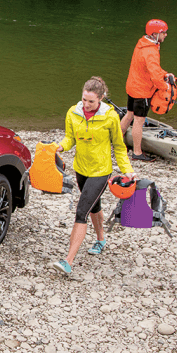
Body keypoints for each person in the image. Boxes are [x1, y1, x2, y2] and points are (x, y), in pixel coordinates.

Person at [52, 77, 135, 275]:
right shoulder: (73, 113)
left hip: (101, 171)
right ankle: (101, 240)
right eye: (84, 100)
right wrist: (60, 146)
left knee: (81, 211)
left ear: (101, 99)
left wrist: (127, 169)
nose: (87, 105)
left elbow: (119, 146)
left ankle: (68, 261)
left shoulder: (110, 117)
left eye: (91, 101)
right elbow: (70, 138)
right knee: (93, 206)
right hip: (80, 169)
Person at [120, 19, 174, 162]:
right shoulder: (151, 51)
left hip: (132, 86)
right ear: (155, 34)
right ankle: (137, 152)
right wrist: (166, 87)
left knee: (129, 115)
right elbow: (155, 76)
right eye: (164, 32)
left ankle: (117, 144)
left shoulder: (142, 44)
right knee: (139, 121)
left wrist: (165, 74)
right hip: (142, 91)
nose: (166, 35)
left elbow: (151, 69)